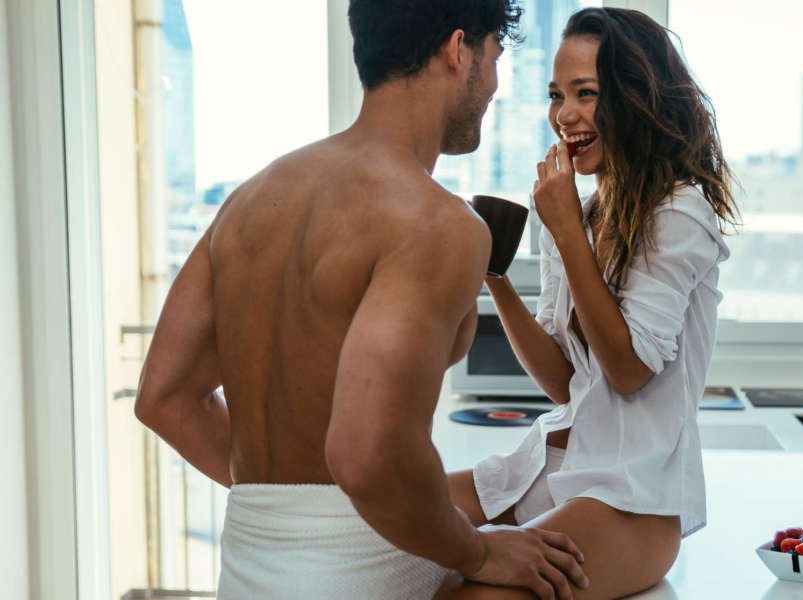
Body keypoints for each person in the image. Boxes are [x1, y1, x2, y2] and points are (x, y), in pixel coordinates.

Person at [133, 1, 588, 599]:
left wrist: (292, 516)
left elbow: (163, 397)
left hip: (245, 574)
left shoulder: (249, 201)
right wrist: (477, 551)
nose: (496, 86)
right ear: (458, 51)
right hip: (365, 577)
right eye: (495, 57)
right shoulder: (438, 222)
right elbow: (366, 455)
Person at [440, 7, 739, 599]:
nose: (564, 115)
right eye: (557, 95)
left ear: (635, 98)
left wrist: (567, 231)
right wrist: (496, 276)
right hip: (546, 468)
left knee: (472, 595)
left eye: (586, 93)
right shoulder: (576, 216)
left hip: (629, 502)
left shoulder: (679, 213)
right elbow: (563, 383)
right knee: (372, 532)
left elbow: (627, 372)